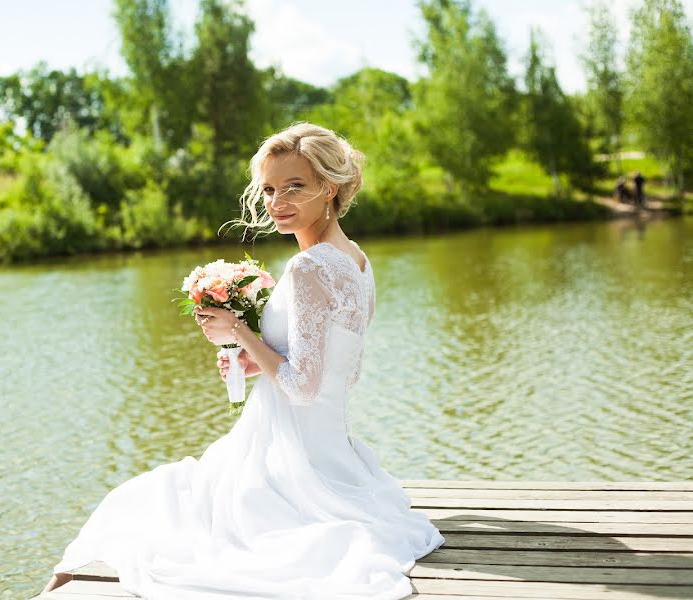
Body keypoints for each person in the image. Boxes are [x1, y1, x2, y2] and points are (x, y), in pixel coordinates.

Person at [42, 122, 445, 599]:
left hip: (287, 457)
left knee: (148, 503)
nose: (277, 201)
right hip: (330, 451)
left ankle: (60, 584)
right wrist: (256, 361)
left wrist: (237, 331)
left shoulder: (309, 267)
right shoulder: (355, 259)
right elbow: (344, 370)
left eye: (295, 186)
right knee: (164, 498)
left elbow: (302, 387)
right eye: (270, 188)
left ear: (329, 187)